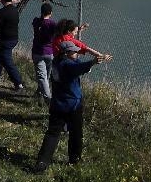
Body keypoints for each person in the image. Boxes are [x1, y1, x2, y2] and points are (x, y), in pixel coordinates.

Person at [34, 41, 105, 172]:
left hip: (57, 104)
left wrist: (93, 63)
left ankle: (42, 161)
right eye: (74, 51)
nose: (77, 53)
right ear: (66, 54)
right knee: (76, 133)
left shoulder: (57, 62)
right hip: (73, 105)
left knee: (52, 134)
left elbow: (79, 66)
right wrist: (92, 62)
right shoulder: (67, 65)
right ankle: (74, 159)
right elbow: (78, 68)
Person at [31, 2, 57, 103]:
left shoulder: (36, 21)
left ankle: (44, 96)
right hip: (49, 53)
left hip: (37, 52)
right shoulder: (52, 24)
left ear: (41, 12)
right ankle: (46, 98)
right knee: (45, 76)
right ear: (51, 13)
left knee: (43, 77)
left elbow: (38, 21)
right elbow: (62, 32)